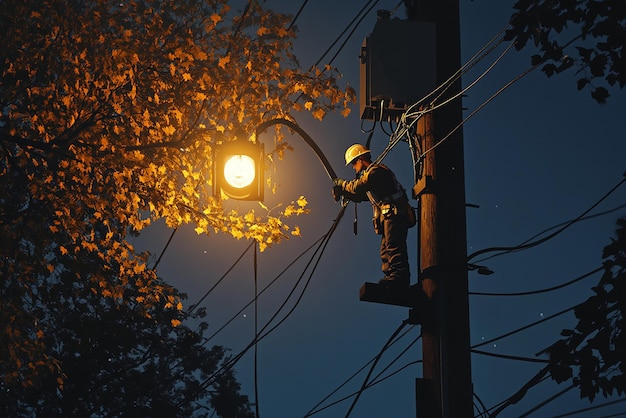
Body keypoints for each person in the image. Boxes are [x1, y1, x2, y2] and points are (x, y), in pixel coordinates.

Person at [332, 144, 414, 287]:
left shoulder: (376, 172)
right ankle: (392, 277)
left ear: (361, 159)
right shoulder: (373, 176)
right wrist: (343, 192)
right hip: (390, 217)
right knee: (386, 250)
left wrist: (342, 184)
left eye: (353, 163)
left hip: (395, 214)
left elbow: (358, 186)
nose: (353, 167)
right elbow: (361, 195)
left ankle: (399, 277)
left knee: (394, 246)